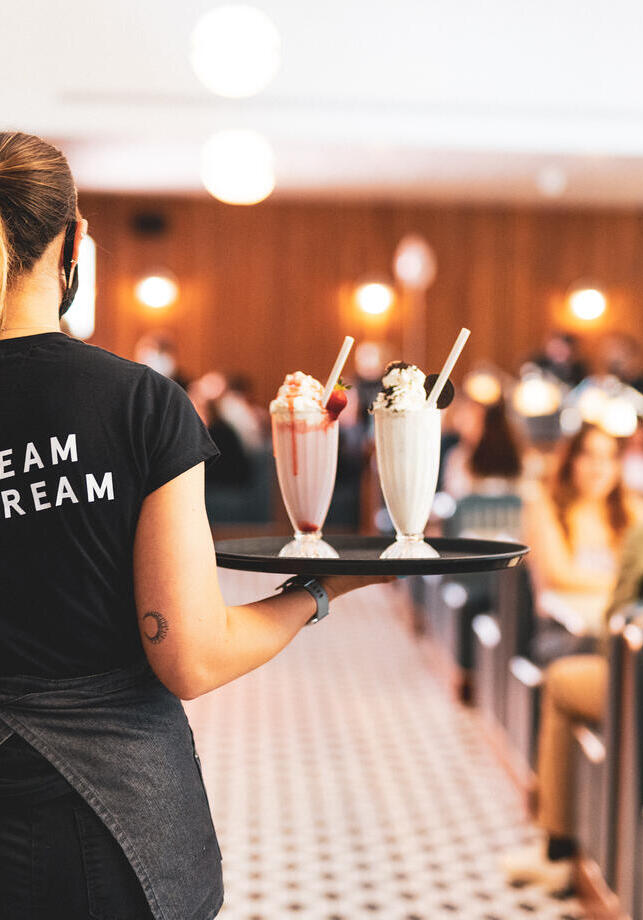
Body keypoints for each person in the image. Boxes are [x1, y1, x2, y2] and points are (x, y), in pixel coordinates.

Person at [0, 132, 390, 920]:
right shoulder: (137, 405)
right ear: (75, 243)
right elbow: (189, 655)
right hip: (104, 822)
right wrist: (318, 590)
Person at [504, 425, 643, 893]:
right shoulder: (556, 508)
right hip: (566, 633)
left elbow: (615, 624)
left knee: (565, 682)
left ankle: (559, 848)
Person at [524, 423, 643, 648]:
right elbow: (560, 576)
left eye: (608, 457)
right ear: (571, 461)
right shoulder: (545, 507)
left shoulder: (630, 511)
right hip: (561, 630)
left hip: (613, 622)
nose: (598, 467)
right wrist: (624, 585)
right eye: (589, 456)